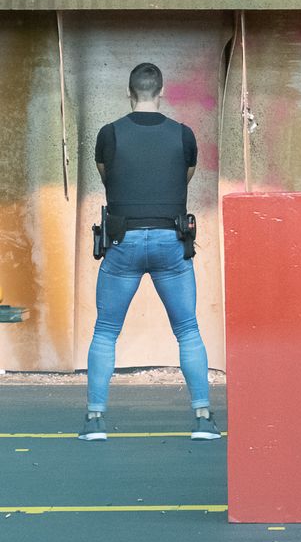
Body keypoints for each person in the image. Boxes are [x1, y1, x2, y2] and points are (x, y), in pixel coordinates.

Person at [79, 63, 217, 443]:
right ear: (161, 91)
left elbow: (108, 175)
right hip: (170, 241)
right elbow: (183, 175)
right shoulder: (183, 135)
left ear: (129, 92)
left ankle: (95, 420)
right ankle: (203, 418)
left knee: (106, 332)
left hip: (122, 243)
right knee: (187, 330)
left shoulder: (110, 134)